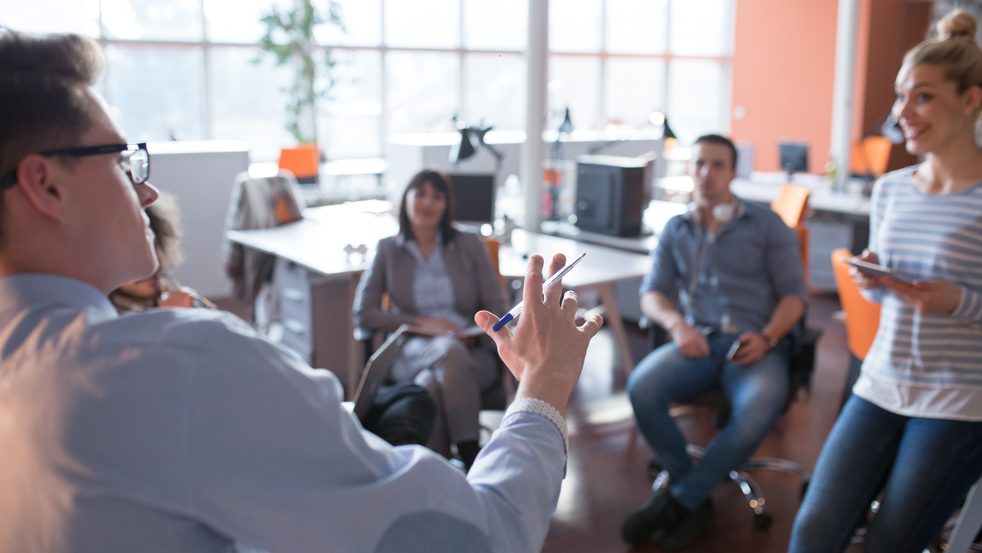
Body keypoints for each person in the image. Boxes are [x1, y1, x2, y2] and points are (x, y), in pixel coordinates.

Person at [0, 29, 604, 552]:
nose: (147, 192)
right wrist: (544, 386)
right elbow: (480, 541)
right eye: (122, 163)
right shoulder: (176, 363)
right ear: (45, 185)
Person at [789, 11, 982, 553]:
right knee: (812, 531)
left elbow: (965, 301)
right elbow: (886, 290)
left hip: (959, 398)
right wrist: (875, 278)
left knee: (889, 543)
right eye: (901, 97)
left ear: (970, 100)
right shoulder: (892, 190)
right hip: (881, 381)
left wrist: (961, 302)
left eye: (922, 97)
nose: (902, 113)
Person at [110, 196, 438, 447]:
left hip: (296, 400)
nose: (151, 271)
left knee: (410, 396)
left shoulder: (172, 297)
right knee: (396, 426)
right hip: (272, 422)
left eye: (152, 255)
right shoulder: (133, 327)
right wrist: (184, 324)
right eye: (136, 267)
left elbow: (250, 346)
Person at [621, 134, 807, 548]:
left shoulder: (765, 224)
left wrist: (769, 336)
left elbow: (795, 295)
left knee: (758, 405)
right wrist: (676, 325)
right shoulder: (678, 228)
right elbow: (652, 293)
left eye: (717, 164)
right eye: (700, 163)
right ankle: (694, 493)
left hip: (755, 344)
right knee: (642, 388)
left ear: (732, 171)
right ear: (690, 168)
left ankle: (682, 500)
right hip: (698, 340)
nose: (707, 173)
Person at [353, 168, 507, 469]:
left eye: (437, 196)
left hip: (472, 353)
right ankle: (470, 454)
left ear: (447, 205)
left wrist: (471, 331)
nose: (427, 202)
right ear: (406, 198)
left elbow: (497, 305)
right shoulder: (388, 249)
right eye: (420, 193)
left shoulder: (470, 245)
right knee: (447, 352)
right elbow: (364, 312)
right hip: (412, 349)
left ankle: (431, 471)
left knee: (431, 385)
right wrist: (422, 324)